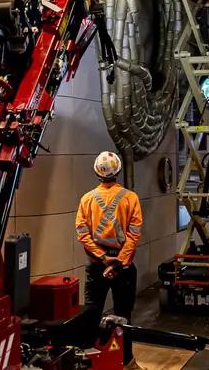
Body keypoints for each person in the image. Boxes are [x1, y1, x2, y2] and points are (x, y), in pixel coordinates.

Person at [75, 151, 144, 370]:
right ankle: (127, 362)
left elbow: (83, 233)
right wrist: (119, 262)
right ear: (118, 171)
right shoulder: (130, 198)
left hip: (96, 265)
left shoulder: (87, 199)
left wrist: (104, 258)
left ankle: (88, 362)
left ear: (97, 172)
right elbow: (134, 234)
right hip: (123, 268)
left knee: (92, 312)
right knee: (124, 315)